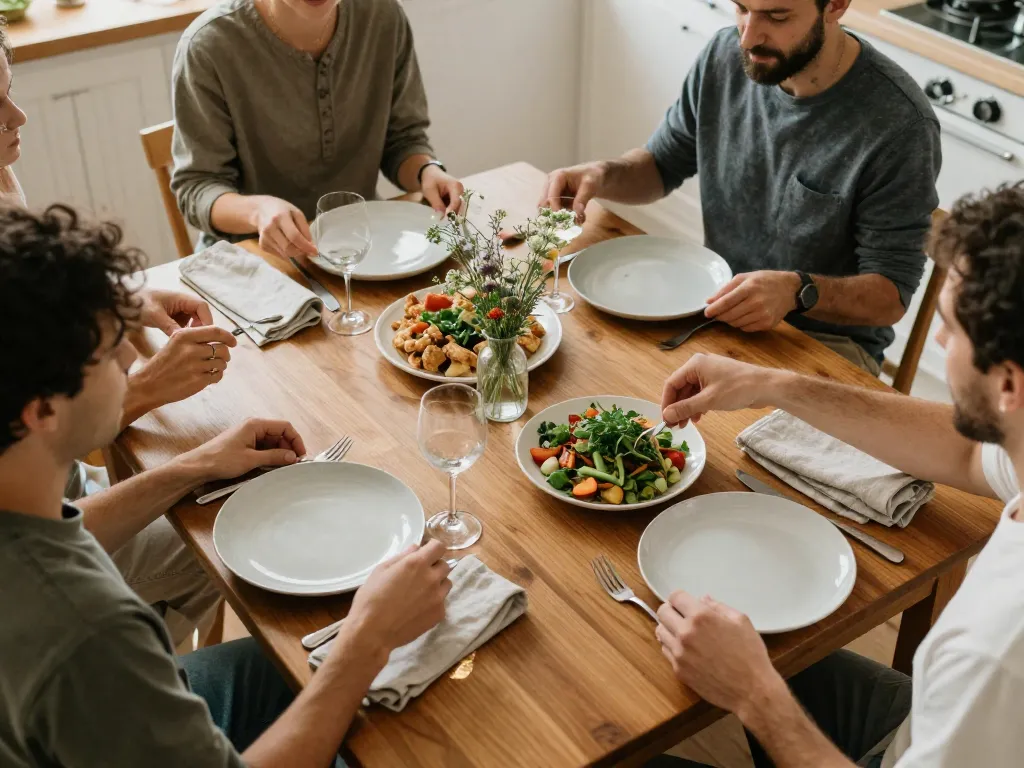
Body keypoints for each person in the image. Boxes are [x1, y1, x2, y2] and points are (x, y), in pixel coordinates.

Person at [0, 201, 453, 767]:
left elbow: (64, 542)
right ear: (43, 411)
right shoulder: (92, 635)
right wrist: (367, 640)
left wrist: (197, 464)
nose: (127, 355)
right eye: (104, 348)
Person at [652, 183, 1024, 767]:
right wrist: (770, 384)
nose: (941, 342)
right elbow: (966, 455)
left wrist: (756, 694)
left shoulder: (998, 654)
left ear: (1007, 385)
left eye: (950, 328)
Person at [542, 0, 941, 375]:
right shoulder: (725, 54)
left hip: (825, 346)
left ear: (835, 5)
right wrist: (602, 175)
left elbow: (890, 297)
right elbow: (662, 165)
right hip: (715, 316)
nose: (749, 37)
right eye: (742, 8)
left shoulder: (899, 125)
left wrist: (797, 290)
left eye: (777, 16)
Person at [0, 20, 238, 645]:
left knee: (227, 484)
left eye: (10, 88)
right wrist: (148, 389)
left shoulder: (2, 182)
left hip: (64, 493)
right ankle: (139, 646)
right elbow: (34, 513)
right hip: (51, 522)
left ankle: (158, 643)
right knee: (232, 528)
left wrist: (109, 302)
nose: (17, 115)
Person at [171, 0, 465, 259]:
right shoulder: (209, 45)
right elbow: (198, 187)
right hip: (256, 262)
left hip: (361, 250)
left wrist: (427, 171)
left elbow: (403, 140)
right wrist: (257, 211)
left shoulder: (383, 16)